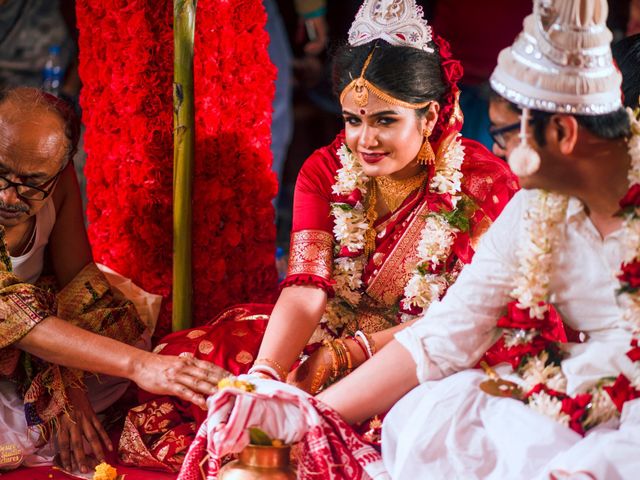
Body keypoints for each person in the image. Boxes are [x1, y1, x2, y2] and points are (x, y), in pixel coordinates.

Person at [121, 0, 518, 471]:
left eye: (385, 120)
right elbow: (308, 284)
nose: (364, 139)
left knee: (412, 426)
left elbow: (464, 319)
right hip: (331, 329)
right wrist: (265, 378)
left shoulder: (485, 184)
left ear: (429, 117)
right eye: (354, 119)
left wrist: (350, 354)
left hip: (423, 356)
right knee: (187, 360)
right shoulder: (325, 168)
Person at [0, 87, 222, 473]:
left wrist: (68, 381)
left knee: (125, 339)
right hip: (16, 337)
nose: (8, 196)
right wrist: (140, 366)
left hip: (29, 343)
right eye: (0, 172)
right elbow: (8, 314)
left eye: (31, 182)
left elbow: (76, 286)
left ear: (61, 169)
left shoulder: (59, 182)